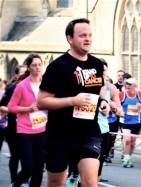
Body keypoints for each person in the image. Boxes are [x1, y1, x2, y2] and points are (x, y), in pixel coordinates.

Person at [36, 18, 110, 187]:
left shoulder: (96, 64)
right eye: (82, 35)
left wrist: (103, 102)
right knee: (56, 183)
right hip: (60, 136)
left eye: (90, 35)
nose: (88, 39)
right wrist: (73, 101)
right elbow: (41, 101)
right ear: (70, 38)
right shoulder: (58, 66)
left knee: (90, 182)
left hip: (89, 133)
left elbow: (98, 89)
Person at [8, 53, 46, 187]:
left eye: (40, 65)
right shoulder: (22, 86)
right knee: (28, 169)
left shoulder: (46, 84)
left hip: (42, 130)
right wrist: (28, 109)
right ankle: (16, 184)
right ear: (29, 68)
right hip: (25, 132)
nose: (37, 67)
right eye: (34, 65)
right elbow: (11, 107)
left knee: (39, 170)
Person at [0, 65, 27, 184]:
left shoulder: (33, 88)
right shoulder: (11, 89)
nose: (26, 75)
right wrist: (16, 109)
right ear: (16, 75)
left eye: (27, 73)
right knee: (15, 156)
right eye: (23, 73)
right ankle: (13, 181)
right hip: (13, 128)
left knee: (27, 158)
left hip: (28, 128)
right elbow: (1, 107)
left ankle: (24, 181)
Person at [119, 78, 141, 168]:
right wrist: (119, 111)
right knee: (127, 139)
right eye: (126, 84)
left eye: (129, 84)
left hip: (136, 121)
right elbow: (114, 102)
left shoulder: (139, 95)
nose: (127, 86)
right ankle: (126, 158)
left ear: (134, 85)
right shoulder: (122, 94)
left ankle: (129, 157)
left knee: (132, 142)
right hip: (125, 121)